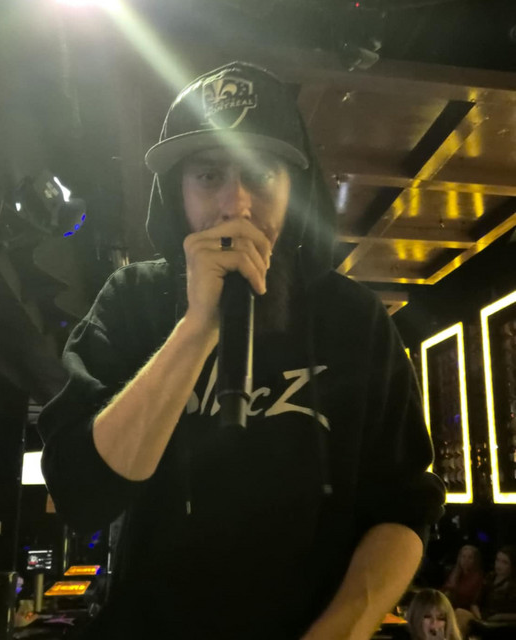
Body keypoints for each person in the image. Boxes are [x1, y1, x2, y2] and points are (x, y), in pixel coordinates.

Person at [38, 61, 445, 639]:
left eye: (260, 174)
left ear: (295, 188)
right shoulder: (133, 300)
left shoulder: (355, 321)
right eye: (208, 175)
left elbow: (404, 507)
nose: (237, 204)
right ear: (176, 193)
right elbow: (82, 492)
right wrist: (197, 327)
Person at [443, 545, 484, 610]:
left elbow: (469, 599)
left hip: (465, 609)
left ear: (475, 560)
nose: (466, 560)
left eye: (470, 558)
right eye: (463, 556)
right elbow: (447, 588)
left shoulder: (477, 577)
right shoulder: (455, 572)